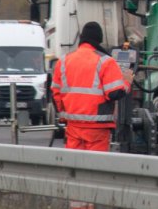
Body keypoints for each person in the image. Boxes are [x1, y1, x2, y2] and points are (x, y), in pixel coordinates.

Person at [50, 21, 129, 155]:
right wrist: (127, 82)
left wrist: (64, 115)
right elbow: (115, 93)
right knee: (95, 165)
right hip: (97, 128)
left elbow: (55, 94)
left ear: (82, 38)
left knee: (74, 163)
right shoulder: (106, 61)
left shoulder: (63, 61)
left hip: (73, 126)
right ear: (99, 40)